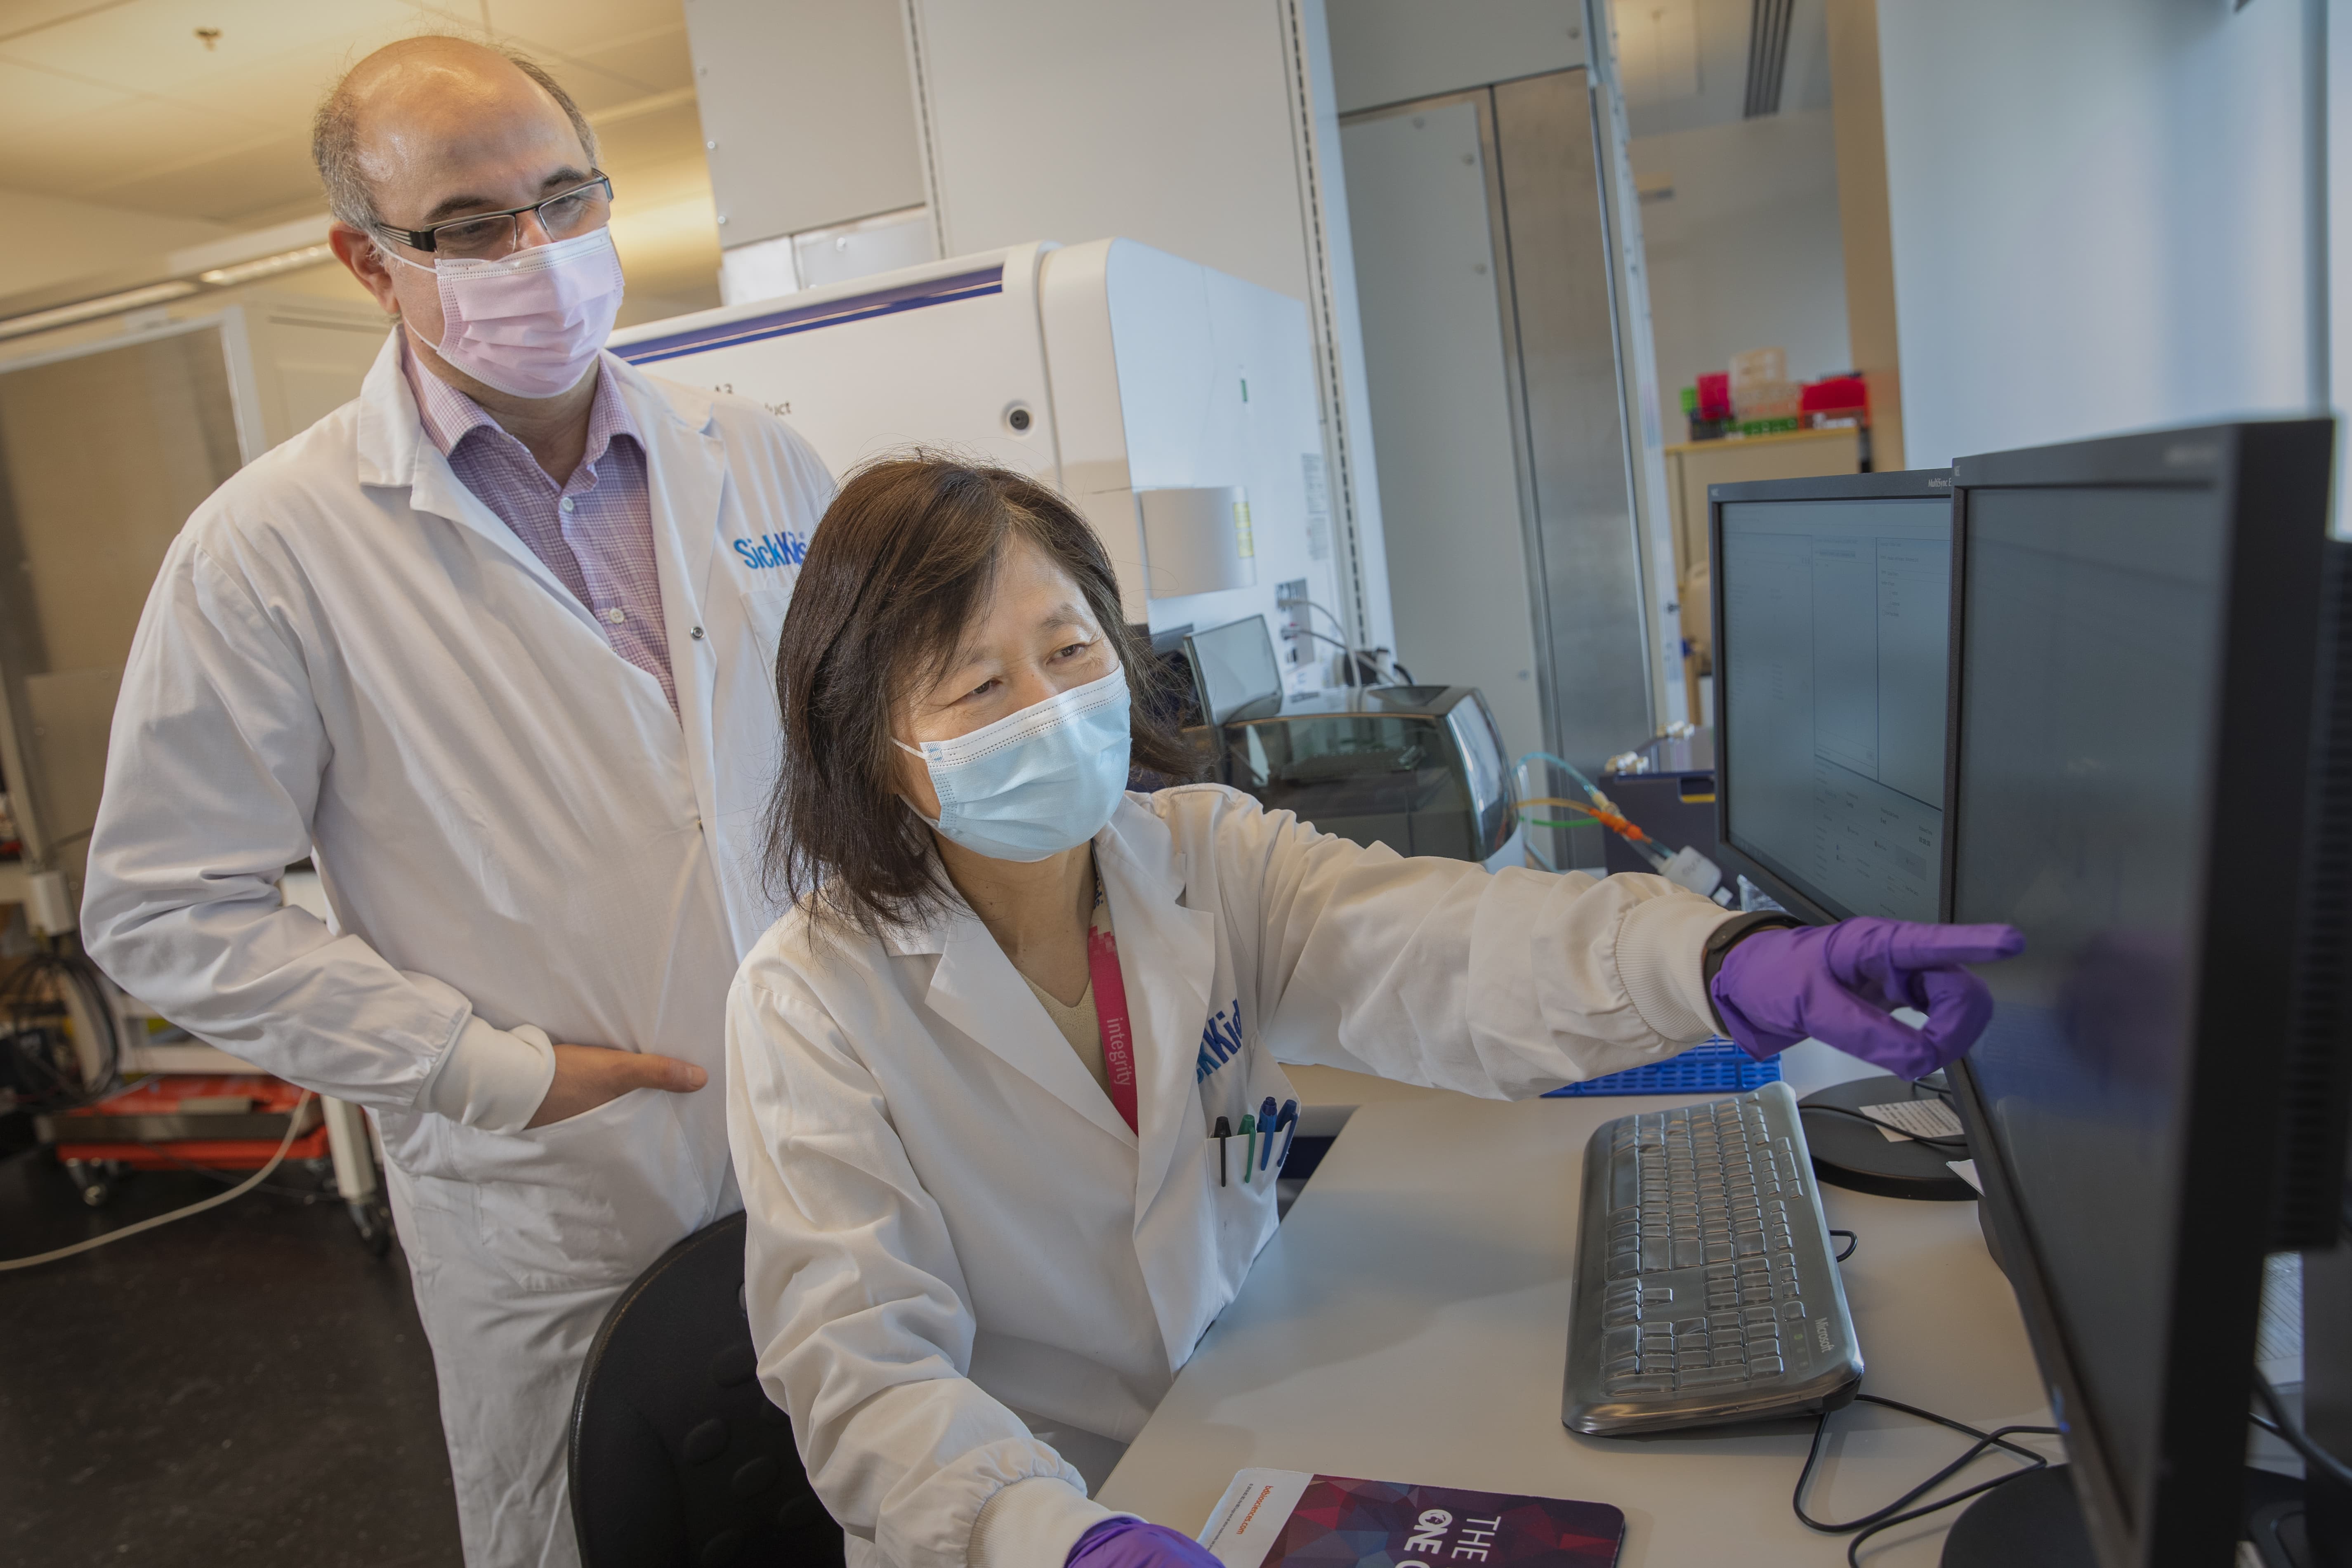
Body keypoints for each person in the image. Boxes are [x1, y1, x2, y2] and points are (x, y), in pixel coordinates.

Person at [724, 457, 2023, 1568]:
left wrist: (1717, 962)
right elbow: (863, 1372)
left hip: (1243, 1422)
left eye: (1068, 651)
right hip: (1026, 1517)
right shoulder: (810, 999)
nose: (1051, 709)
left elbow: (1441, 944)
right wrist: (1053, 1535)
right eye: (978, 686)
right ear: (869, 736)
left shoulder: (1200, 856)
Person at [79, 37, 833, 1568]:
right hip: (557, 1195)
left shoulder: (757, 463)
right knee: (603, 1528)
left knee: (872, 1501)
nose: (540, 255)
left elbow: (847, 760)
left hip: (838, 1133)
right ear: (369, 261)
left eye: (567, 198)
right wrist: (480, 1068)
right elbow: (163, 910)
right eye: (474, 226)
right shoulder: (269, 550)